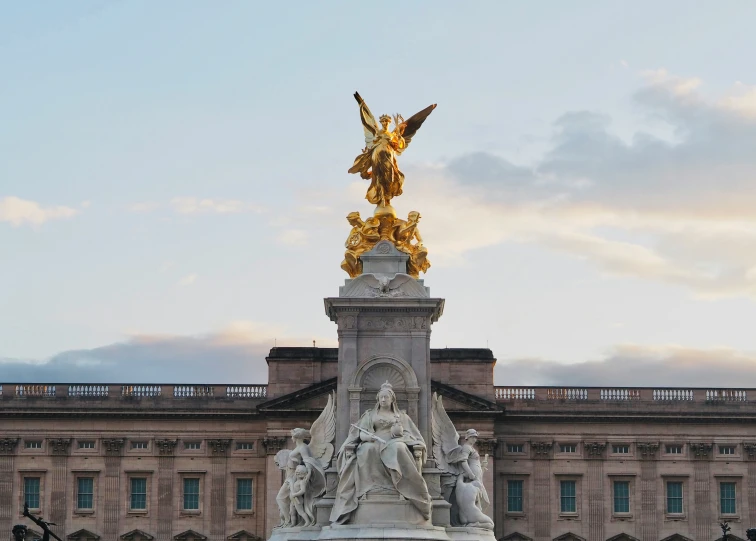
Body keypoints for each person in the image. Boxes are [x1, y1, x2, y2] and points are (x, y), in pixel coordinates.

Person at [330, 381, 431, 524]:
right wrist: (368, 437)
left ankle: (402, 485)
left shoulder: (401, 416)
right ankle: (369, 488)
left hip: (394, 441)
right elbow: (360, 434)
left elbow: (410, 433)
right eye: (381, 397)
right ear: (377, 398)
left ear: (392, 399)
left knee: (400, 449)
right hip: (373, 441)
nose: (383, 400)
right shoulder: (369, 415)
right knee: (366, 450)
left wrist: (400, 434)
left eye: (386, 397)